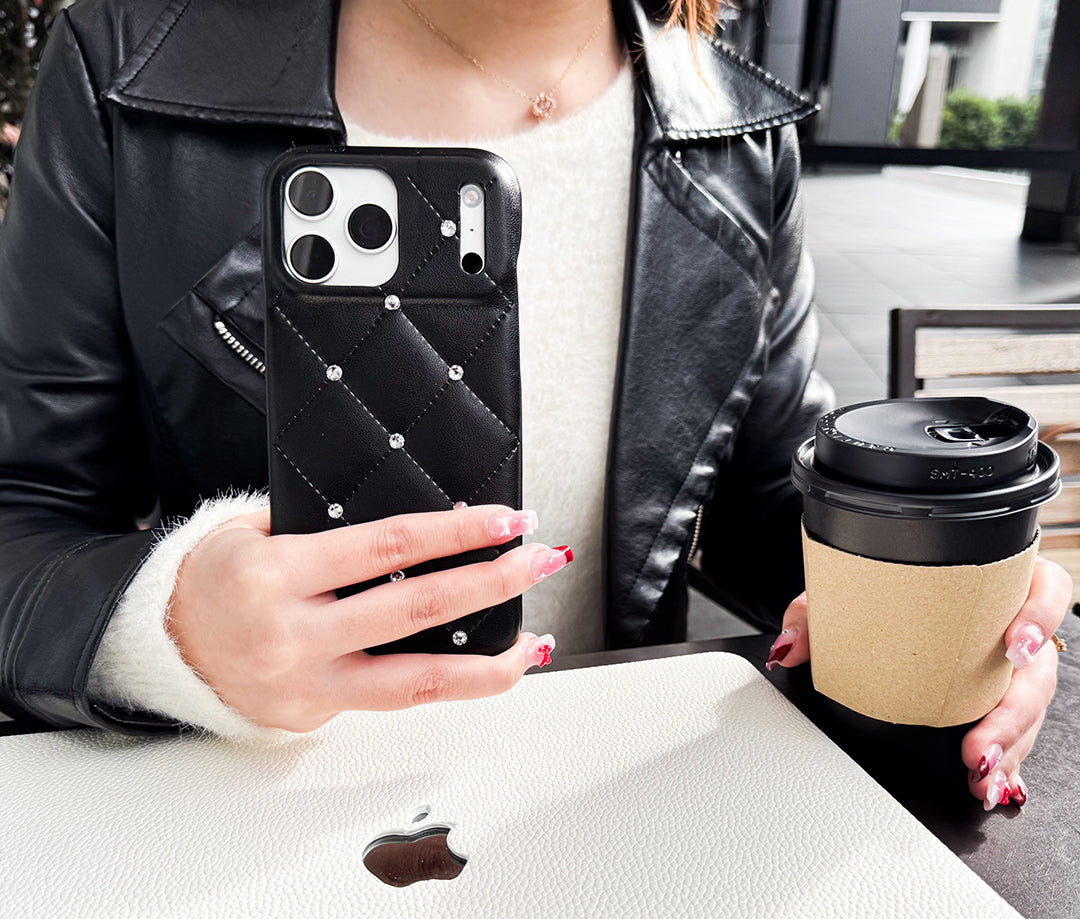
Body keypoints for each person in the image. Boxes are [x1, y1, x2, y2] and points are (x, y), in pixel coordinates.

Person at [0, 0, 1069, 810]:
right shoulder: (131, 66)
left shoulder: (735, 126)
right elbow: (21, 518)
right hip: (235, 818)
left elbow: (761, 515)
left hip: (605, 815)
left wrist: (945, 603)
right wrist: (167, 627)